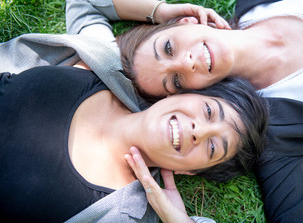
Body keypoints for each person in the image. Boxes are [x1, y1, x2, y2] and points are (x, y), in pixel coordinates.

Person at [83, 0, 303, 222]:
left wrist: (161, 10)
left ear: (186, 22)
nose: (186, 62)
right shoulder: (276, 134)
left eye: (168, 48)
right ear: (190, 96)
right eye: (176, 81)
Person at [0, 64, 268, 222]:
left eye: (212, 148)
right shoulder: (106, 68)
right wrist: (158, 10)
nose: (199, 130)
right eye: (209, 111)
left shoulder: (119, 214)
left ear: (190, 172)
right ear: (185, 94)